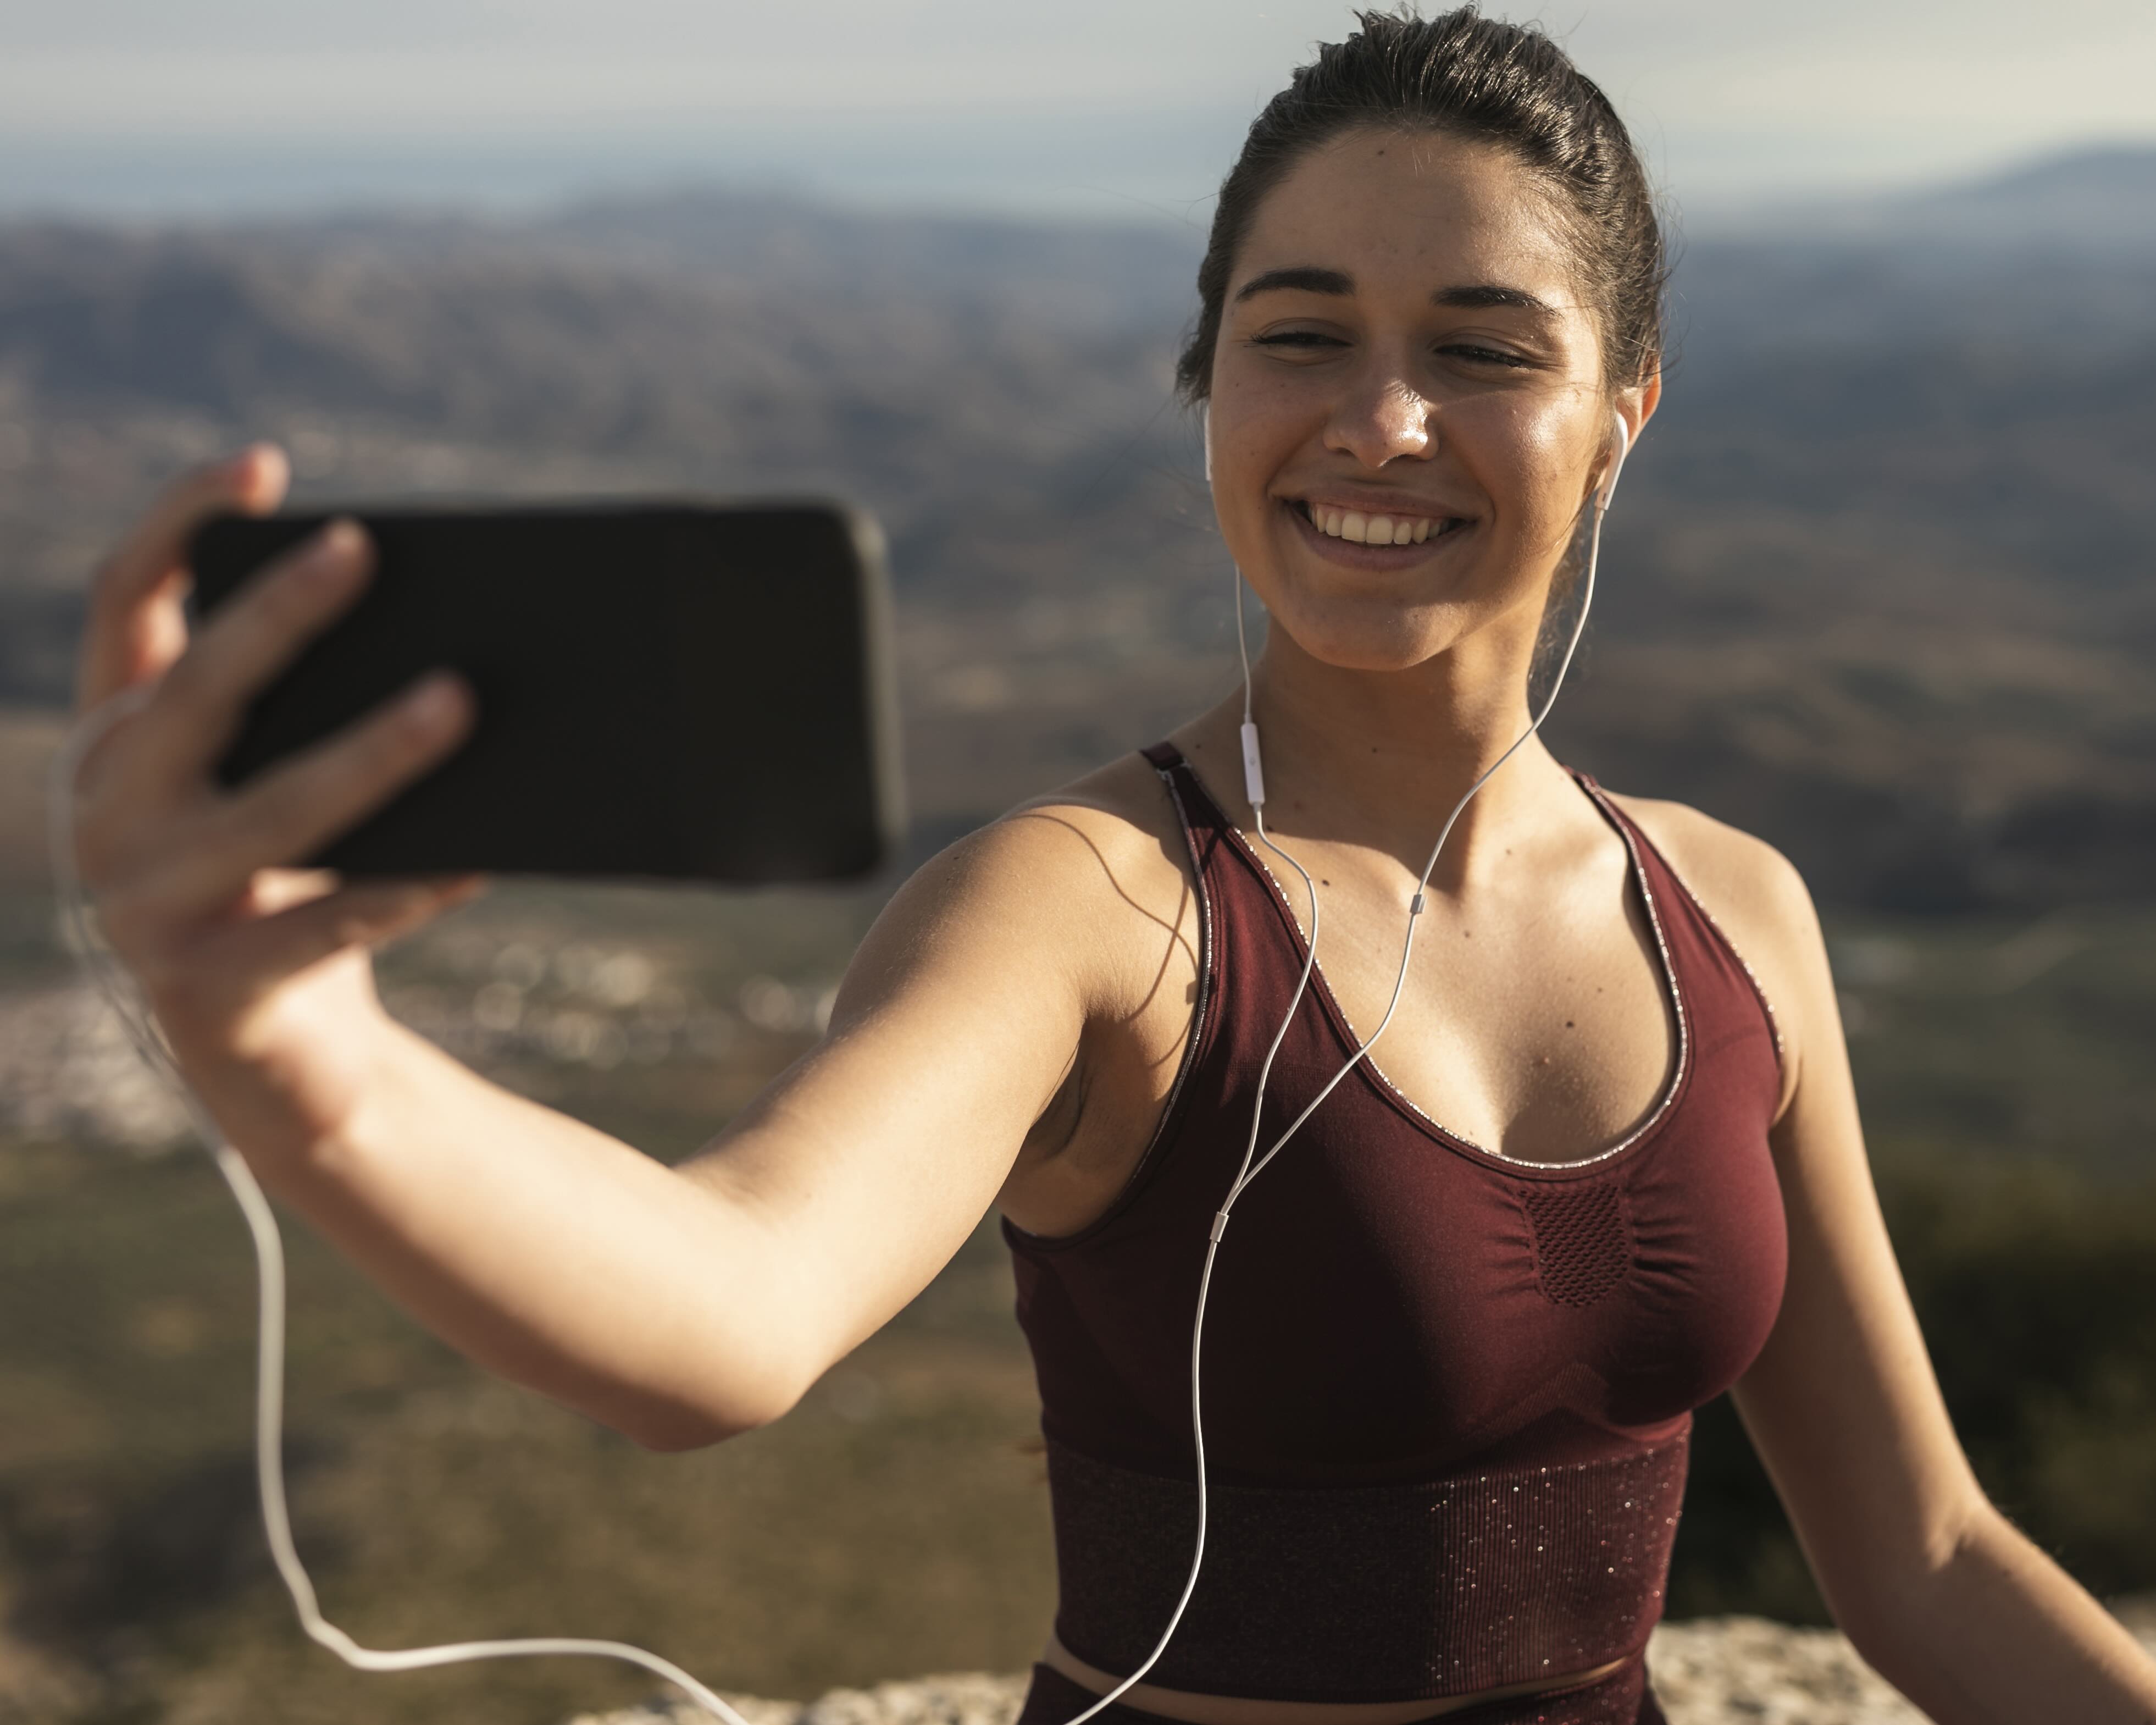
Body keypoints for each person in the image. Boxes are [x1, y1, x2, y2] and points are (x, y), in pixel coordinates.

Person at [64, 9, 2156, 1725]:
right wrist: (299, 1054)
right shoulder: (1087, 911)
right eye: (1300, 331)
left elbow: (1925, 1560)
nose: (1381, 420)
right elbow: (720, 1320)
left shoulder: (1737, 913)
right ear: (1205, 378)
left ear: (1623, 409)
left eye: (1486, 348)